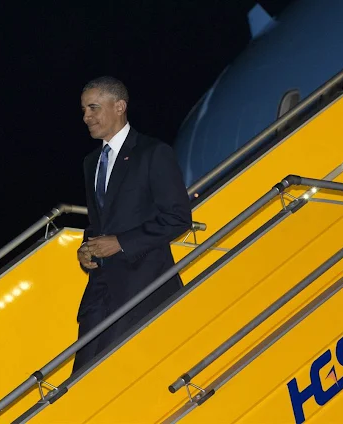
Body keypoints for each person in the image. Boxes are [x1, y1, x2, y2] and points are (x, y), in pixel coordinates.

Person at [72, 76, 192, 374]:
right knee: (83, 376)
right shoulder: (91, 162)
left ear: (119, 106)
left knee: (121, 375)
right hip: (100, 292)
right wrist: (87, 248)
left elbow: (178, 217)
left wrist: (121, 243)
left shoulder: (153, 153)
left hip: (143, 286)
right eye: (84, 109)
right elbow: (99, 222)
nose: (86, 116)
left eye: (93, 108)